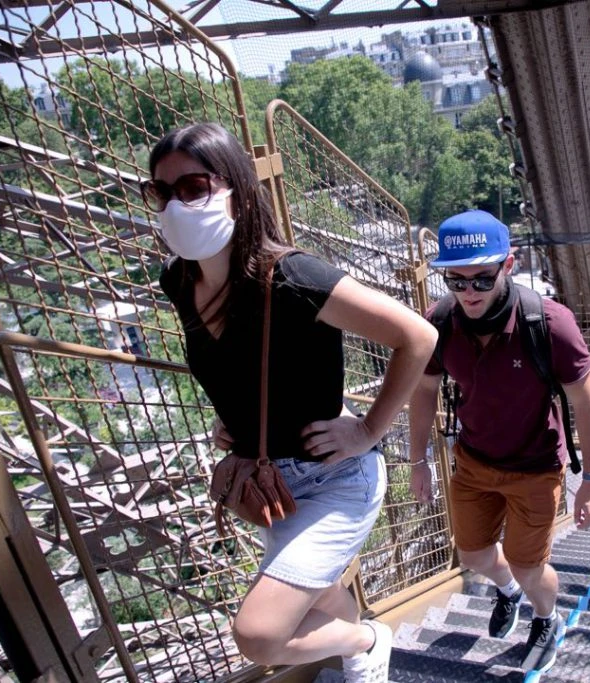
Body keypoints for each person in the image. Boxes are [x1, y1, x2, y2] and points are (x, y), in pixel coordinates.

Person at [146, 122, 437, 681]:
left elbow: (418, 338)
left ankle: (367, 639)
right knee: (321, 591)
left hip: (335, 478)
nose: (175, 205)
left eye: (193, 187)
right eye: (161, 192)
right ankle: (359, 659)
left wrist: (370, 430)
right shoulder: (179, 281)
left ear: (234, 186)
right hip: (270, 481)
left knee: (259, 633)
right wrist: (230, 420)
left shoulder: (293, 276)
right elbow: (233, 362)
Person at [407, 209, 590, 675]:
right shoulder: (439, 323)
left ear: (508, 266)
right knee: (472, 553)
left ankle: (546, 617)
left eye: (481, 278)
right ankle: (509, 592)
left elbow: (588, 404)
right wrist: (418, 461)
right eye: (456, 281)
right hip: (474, 460)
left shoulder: (549, 324)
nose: (468, 292)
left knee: (527, 564)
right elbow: (423, 391)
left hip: (535, 467)